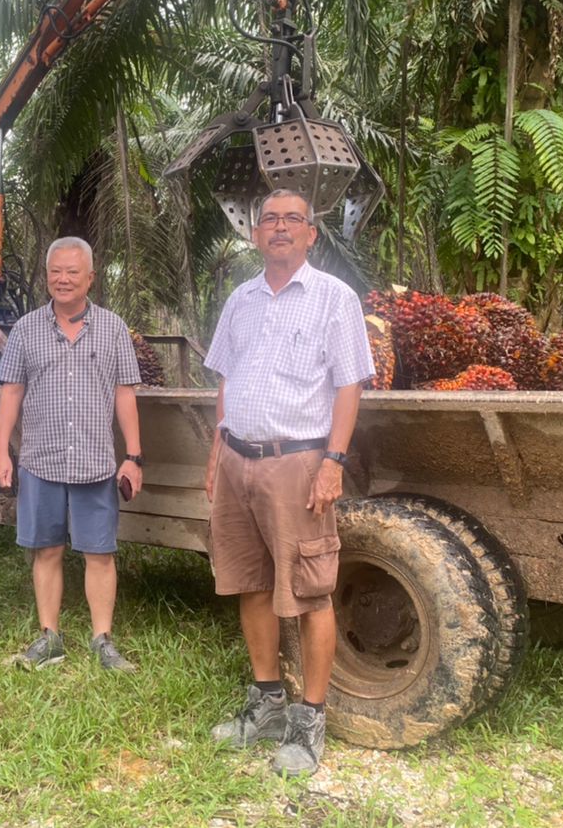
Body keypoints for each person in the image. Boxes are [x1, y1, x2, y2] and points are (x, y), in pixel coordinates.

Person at [202, 189, 375, 777]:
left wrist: (334, 461)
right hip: (236, 459)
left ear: (310, 235)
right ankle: (267, 704)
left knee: (309, 591)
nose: (279, 228)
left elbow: (349, 384)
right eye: (269, 219)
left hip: (297, 462)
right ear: (256, 234)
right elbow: (227, 379)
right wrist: (215, 448)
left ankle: (309, 721)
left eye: (291, 220)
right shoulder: (241, 301)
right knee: (250, 583)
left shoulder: (334, 299)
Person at [0, 237, 144, 672]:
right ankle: (49, 637)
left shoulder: (113, 328)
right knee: (47, 549)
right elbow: (12, 393)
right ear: (47, 276)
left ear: (90, 278)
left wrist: (133, 456)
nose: (63, 279)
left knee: (100, 552)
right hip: (40, 459)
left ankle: (102, 639)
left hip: (96, 461)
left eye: (72, 272)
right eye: (55, 271)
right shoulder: (26, 329)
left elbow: (125, 395)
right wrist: (2, 451)